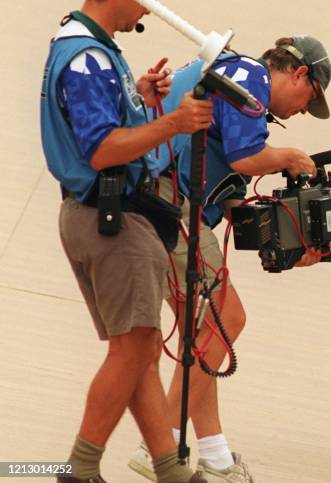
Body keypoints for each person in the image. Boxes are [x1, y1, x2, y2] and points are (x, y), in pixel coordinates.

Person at [127, 35, 331, 483]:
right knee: (227, 319)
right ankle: (160, 444)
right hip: (166, 198)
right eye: (308, 99)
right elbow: (246, 159)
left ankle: (216, 458)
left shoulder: (234, 82)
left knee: (203, 338)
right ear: (299, 73)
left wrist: (291, 245)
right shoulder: (249, 77)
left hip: (152, 197)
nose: (300, 112)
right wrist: (292, 159)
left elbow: (236, 199)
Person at [40, 1, 214, 482]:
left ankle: (170, 468)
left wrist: (136, 98)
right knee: (133, 349)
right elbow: (100, 150)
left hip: (97, 213)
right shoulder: (87, 57)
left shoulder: (85, 47)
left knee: (140, 347)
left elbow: (96, 129)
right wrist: (173, 123)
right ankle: (80, 467)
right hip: (110, 216)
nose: (148, 7)